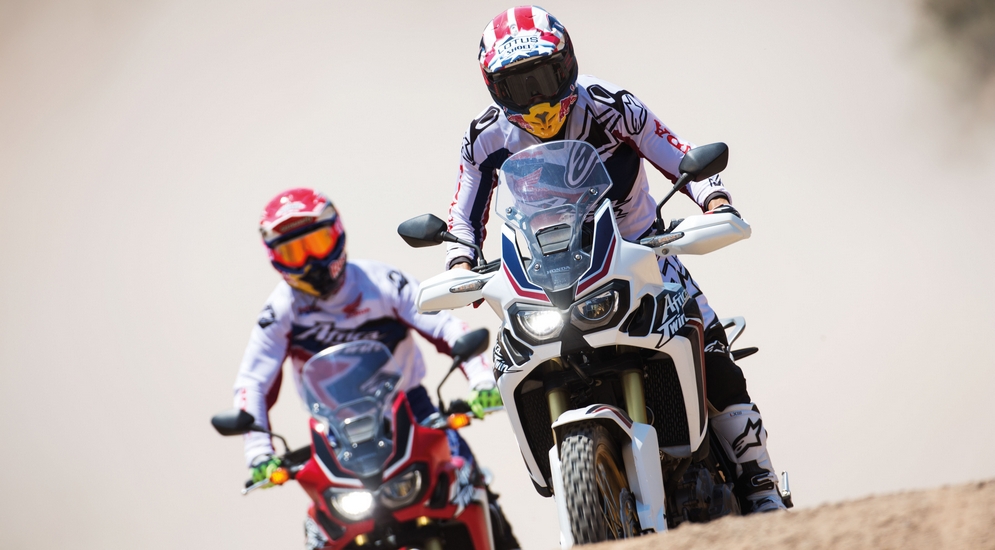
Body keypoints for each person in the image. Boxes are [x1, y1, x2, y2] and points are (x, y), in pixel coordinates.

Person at [445, 6, 786, 513]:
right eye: (518, 86)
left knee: (710, 345)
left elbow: (679, 153)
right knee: (511, 359)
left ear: (567, 66)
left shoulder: (612, 105)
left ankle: (760, 486)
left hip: (642, 253)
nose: (536, 98)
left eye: (544, 78)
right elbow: (463, 215)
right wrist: (460, 264)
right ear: (495, 89)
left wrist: (715, 200)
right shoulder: (484, 136)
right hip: (547, 274)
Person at [232, 188, 519, 548]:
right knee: (322, 531)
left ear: (337, 235)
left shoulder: (380, 281)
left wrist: (481, 380)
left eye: (316, 244)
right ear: (276, 259)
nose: (310, 262)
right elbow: (253, 383)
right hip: (337, 432)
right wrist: (259, 452)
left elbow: (445, 326)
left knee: (468, 484)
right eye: (294, 252)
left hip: (413, 412)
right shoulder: (278, 312)